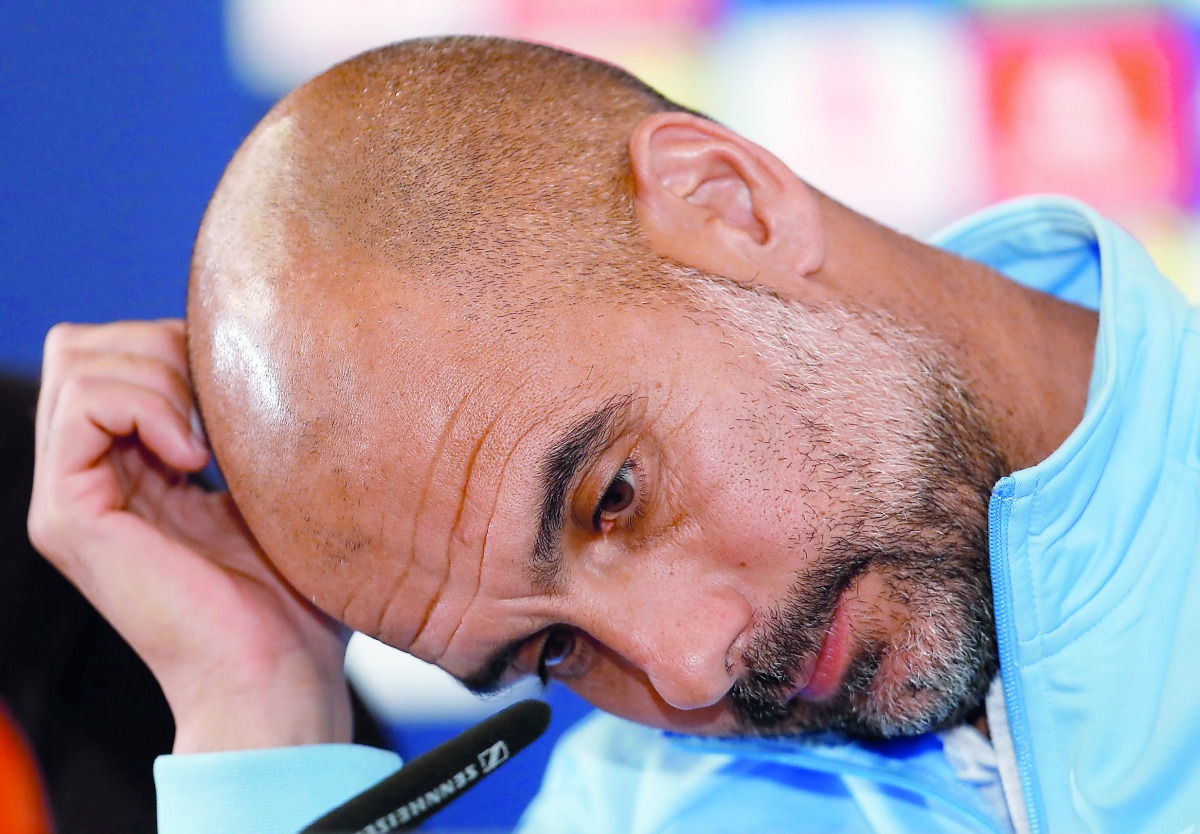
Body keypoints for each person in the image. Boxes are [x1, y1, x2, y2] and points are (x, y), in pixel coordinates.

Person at [26, 36, 1200, 834]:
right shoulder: (637, 808)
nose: (687, 671)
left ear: (728, 205)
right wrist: (258, 713)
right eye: (552, 655)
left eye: (615, 497)